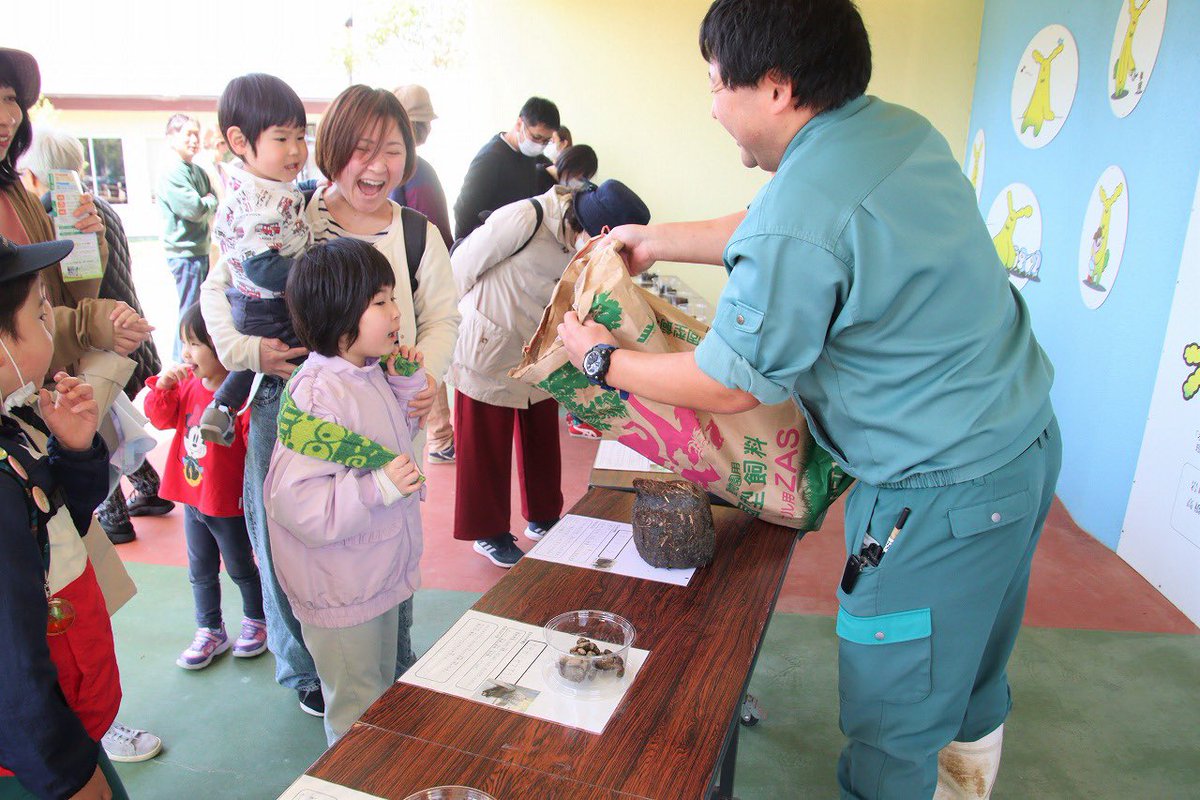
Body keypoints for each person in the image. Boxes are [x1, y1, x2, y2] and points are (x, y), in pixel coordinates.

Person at [557, 2, 1060, 798]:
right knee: (970, 667)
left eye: (718, 85)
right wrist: (655, 240)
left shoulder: (805, 208)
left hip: (937, 497)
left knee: (894, 723)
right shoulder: (891, 130)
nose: (712, 105)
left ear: (778, 88)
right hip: (1021, 446)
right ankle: (968, 779)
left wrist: (601, 360)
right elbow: (772, 223)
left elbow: (730, 379)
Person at [201, 84, 458, 717]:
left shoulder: (419, 235)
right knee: (294, 538)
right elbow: (219, 285)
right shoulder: (288, 213)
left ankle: (388, 663)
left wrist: (418, 379)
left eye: (393, 150)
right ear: (332, 151)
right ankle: (313, 673)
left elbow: (443, 318)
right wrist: (247, 352)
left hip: (386, 404)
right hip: (286, 401)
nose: (377, 166)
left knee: (382, 532)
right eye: (362, 149)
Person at [264, 238, 426, 744]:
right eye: (379, 302)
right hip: (338, 584)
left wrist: (404, 388)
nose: (396, 312)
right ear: (337, 311)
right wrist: (379, 489)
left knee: (377, 692)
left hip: (370, 570)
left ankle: (375, 775)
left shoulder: (363, 372)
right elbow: (295, 503)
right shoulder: (318, 393)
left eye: (393, 298)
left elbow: (371, 445)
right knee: (355, 707)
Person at [449, 179, 650, 567]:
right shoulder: (526, 217)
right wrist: (443, 330)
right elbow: (460, 267)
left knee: (541, 434)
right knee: (485, 441)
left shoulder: (588, 244)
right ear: (597, 229)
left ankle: (543, 517)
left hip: (540, 347)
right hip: (489, 343)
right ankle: (488, 532)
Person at [0, 234, 129, 800]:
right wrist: (69, 778)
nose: (52, 323)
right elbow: (10, 666)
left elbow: (57, 529)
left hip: (66, 726)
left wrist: (73, 453)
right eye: (40, 313)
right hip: (35, 761)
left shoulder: (12, 425)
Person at [19, 127, 173, 545]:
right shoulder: (90, 210)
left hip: (103, 345)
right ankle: (145, 490)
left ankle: (118, 512)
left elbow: (79, 292)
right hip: (113, 339)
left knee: (99, 426)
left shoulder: (69, 216)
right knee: (107, 424)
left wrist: (97, 323)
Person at [143, 304, 266, 671]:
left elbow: (250, 447)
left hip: (227, 501)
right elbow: (160, 418)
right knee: (200, 568)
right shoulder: (185, 386)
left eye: (195, 344)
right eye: (184, 343)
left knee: (241, 565)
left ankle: (257, 620)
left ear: (222, 347)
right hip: (191, 497)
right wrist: (162, 386)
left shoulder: (241, 395)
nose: (187, 354)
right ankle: (210, 628)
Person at [199, 73, 310, 446]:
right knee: (294, 350)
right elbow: (261, 267)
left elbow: (290, 200)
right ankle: (227, 405)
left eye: (300, 136)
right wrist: (314, 269)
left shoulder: (267, 183)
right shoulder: (253, 204)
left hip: (260, 304)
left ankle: (222, 405)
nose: (295, 150)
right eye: (282, 138)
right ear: (239, 141)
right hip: (265, 304)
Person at [389, 84, 455, 464]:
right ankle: (440, 436)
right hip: (409, 287)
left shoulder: (418, 171)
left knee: (423, 361)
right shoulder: (417, 171)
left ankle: (440, 436)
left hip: (418, 282)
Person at [452, 96, 559, 240]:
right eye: (536, 137)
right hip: (489, 242)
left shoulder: (528, 153)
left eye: (546, 141)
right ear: (519, 124)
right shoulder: (491, 158)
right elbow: (464, 210)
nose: (540, 145)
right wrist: (464, 250)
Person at [157, 113, 216, 360]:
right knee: (189, 309)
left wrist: (207, 201)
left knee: (198, 308)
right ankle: (181, 362)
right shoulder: (172, 172)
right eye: (187, 134)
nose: (193, 140)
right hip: (184, 253)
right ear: (172, 137)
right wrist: (208, 201)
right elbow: (195, 209)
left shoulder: (198, 171)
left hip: (200, 249)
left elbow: (213, 198)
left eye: (196, 134)